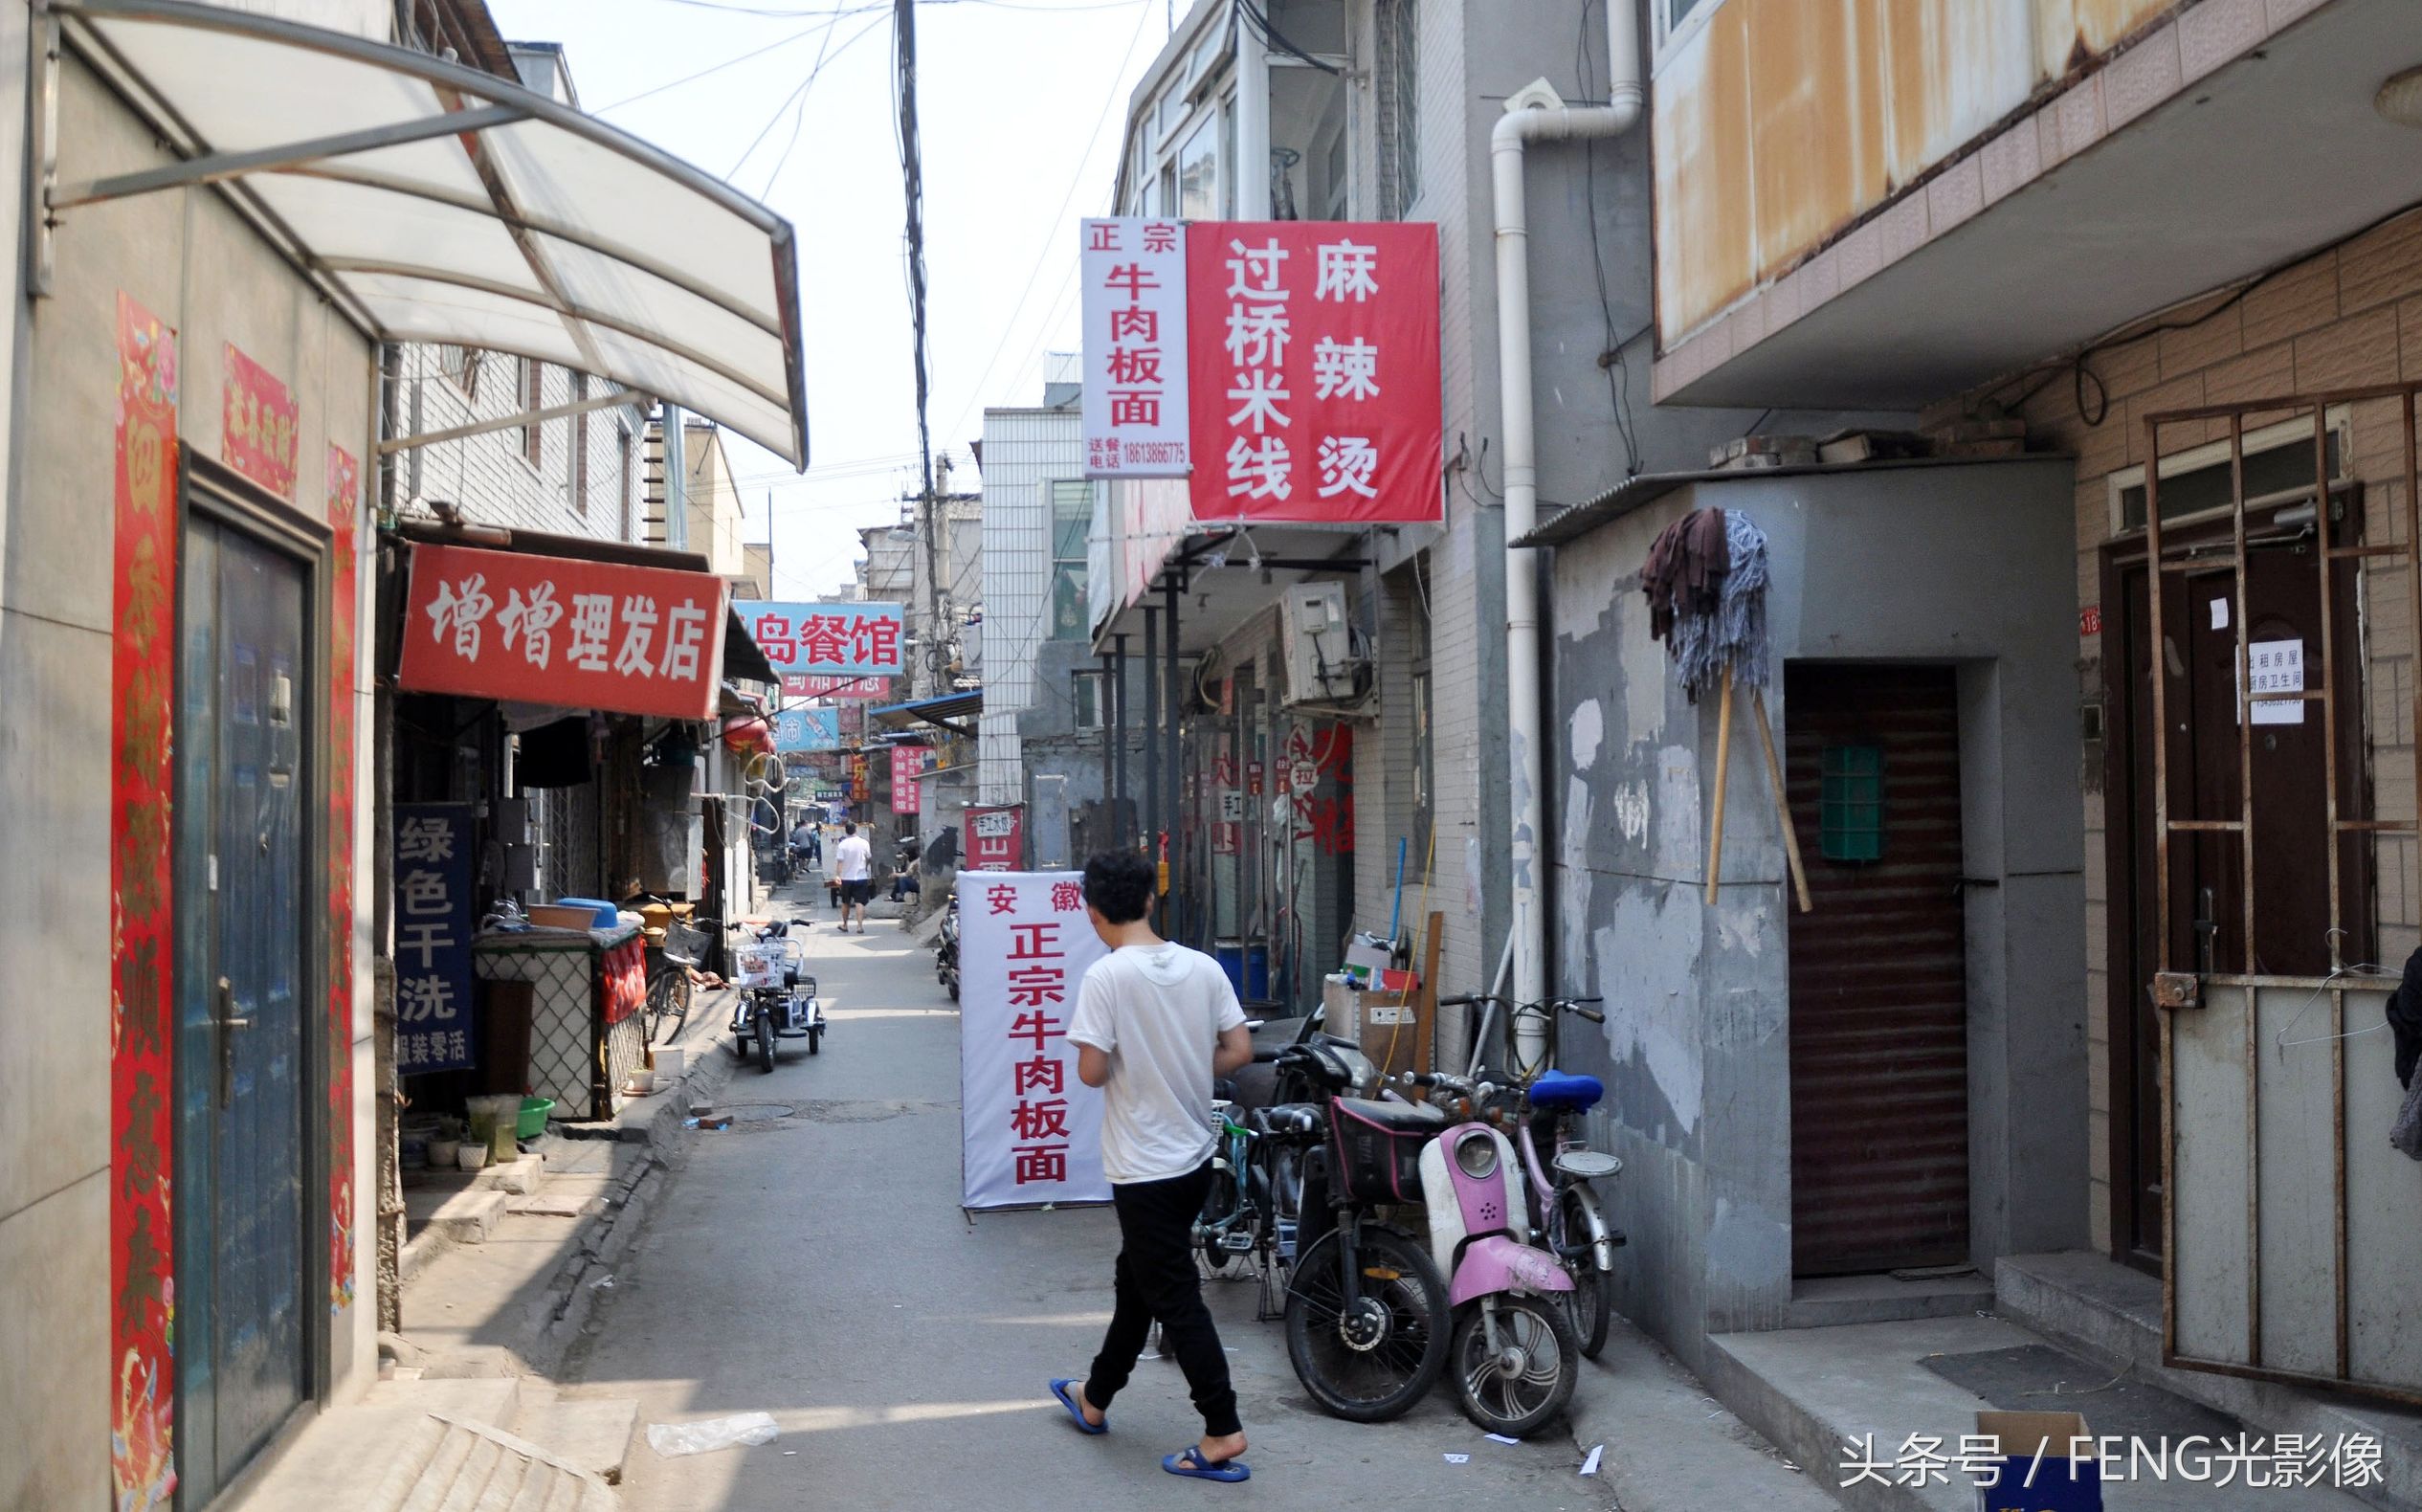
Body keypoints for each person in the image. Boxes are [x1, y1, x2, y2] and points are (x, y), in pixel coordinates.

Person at [1048, 850, 1254, 1484]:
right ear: (1147, 900)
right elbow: (1238, 1050)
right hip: (1193, 1158)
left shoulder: (1107, 978)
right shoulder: (1202, 966)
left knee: (1174, 1297)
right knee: (1136, 1279)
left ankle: (1222, 1430)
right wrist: (1183, 1066)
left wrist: (1135, 1064)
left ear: (1092, 913)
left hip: (1142, 1168)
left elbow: (1088, 1072)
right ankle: (1094, 1395)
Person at [833, 822, 874, 933]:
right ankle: (859, 926)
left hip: (846, 878)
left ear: (846, 831)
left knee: (845, 902)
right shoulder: (864, 843)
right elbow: (869, 858)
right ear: (856, 830)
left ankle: (845, 925)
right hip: (861, 877)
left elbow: (840, 862)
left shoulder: (843, 844)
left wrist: (838, 876)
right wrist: (865, 867)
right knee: (859, 902)